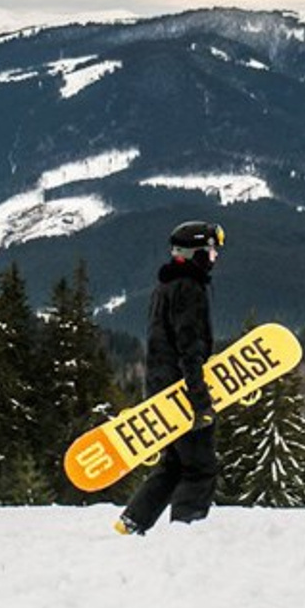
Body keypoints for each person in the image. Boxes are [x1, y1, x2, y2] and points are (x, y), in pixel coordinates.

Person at [115, 220, 225, 536]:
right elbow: (189, 349)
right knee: (200, 467)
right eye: (211, 251)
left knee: (175, 464)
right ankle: (185, 534)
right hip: (182, 392)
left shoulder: (165, 287)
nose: (215, 257)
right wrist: (200, 401)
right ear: (197, 254)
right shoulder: (189, 289)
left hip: (162, 388)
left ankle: (132, 523)